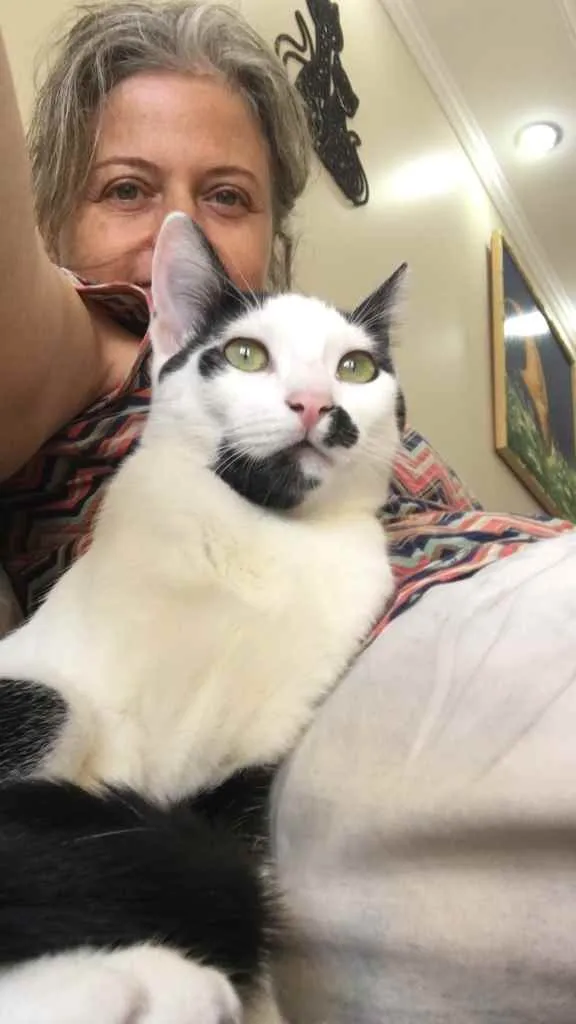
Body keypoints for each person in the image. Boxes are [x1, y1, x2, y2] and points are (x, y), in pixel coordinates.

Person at [0, 3, 575, 1022]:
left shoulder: (322, 360)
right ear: (53, 216)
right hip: (382, 674)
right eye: (126, 188)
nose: (174, 229)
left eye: (227, 195)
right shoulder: (77, 338)